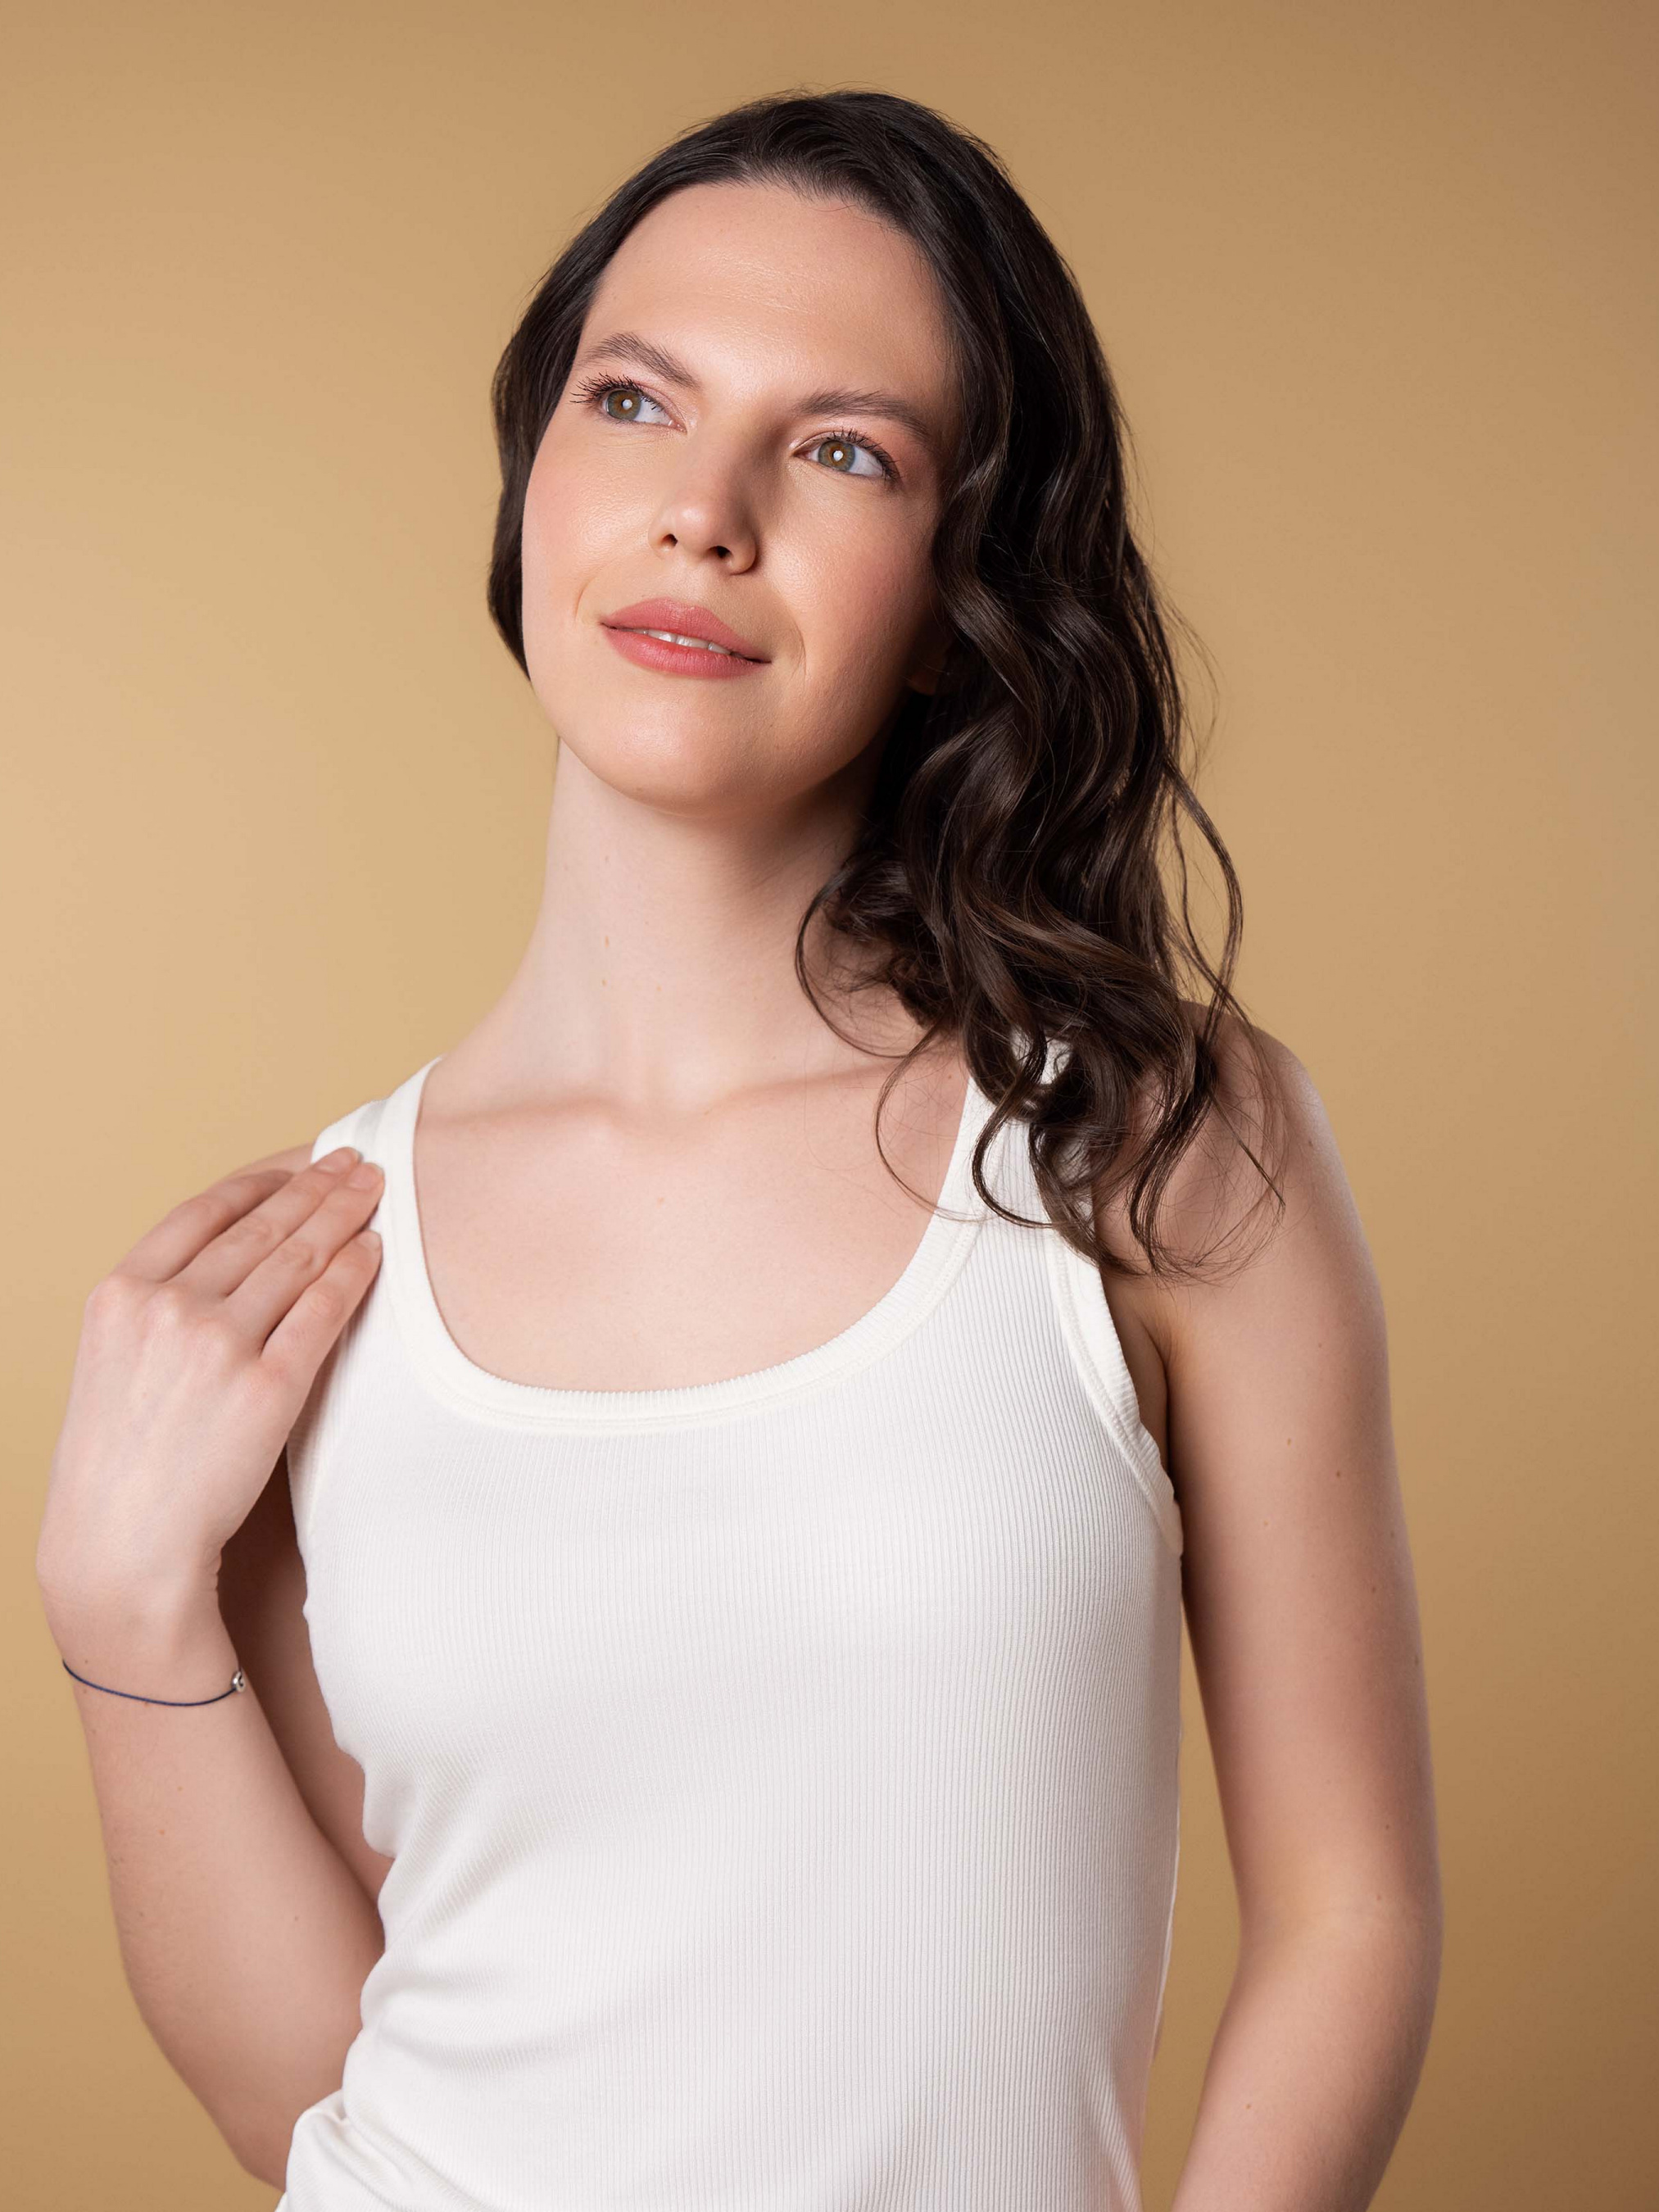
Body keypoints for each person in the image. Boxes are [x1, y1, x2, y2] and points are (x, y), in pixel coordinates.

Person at [34, 87, 1441, 2212]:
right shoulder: (319, 1266)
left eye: (843, 449)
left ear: (960, 585)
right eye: (634, 401)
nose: (704, 512)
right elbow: (309, 2098)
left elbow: (1349, 1919)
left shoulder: (1141, 1145)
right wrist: (118, 1602)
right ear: (531, 476)